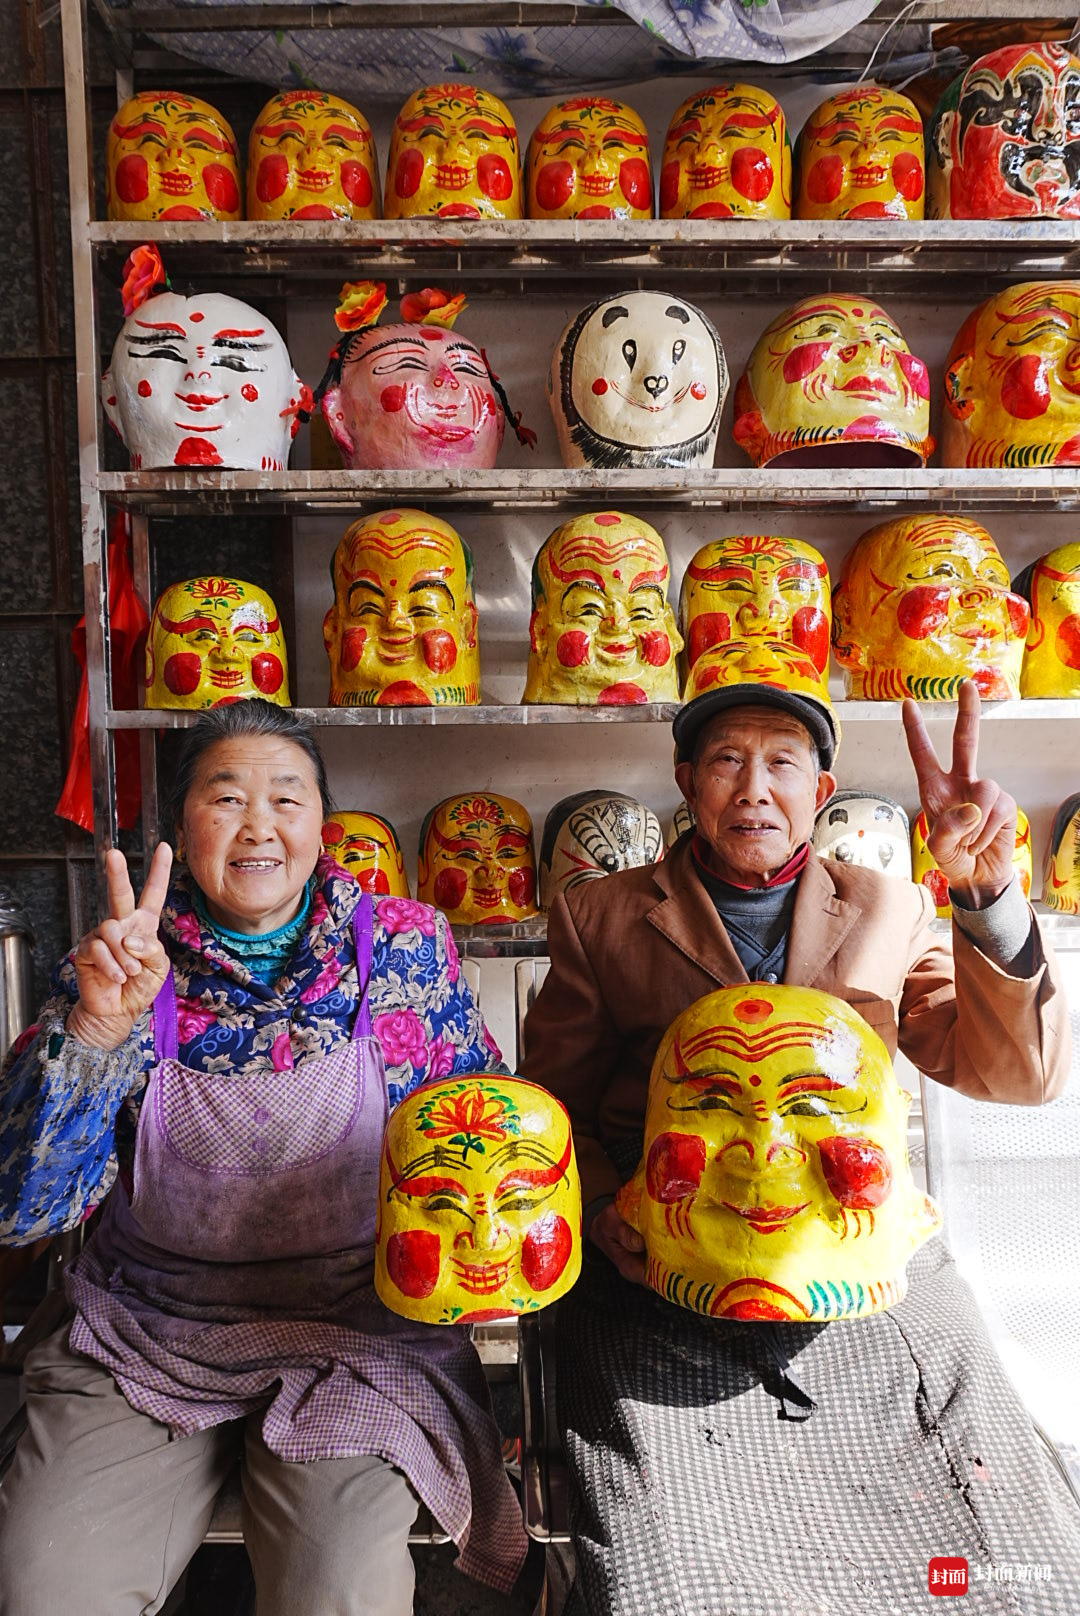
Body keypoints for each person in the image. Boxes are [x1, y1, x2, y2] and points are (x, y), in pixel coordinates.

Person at [521, 677, 1080, 1616]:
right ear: (687, 783)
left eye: (782, 763)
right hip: (661, 1276)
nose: (754, 788)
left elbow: (1019, 1072)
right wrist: (606, 1205)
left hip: (861, 1269)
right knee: (673, 1575)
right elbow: (554, 1105)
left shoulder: (891, 908)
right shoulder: (603, 915)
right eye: (727, 762)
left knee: (1012, 1559)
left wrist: (985, 893)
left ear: (819, 792)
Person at [0, 700, 527, 1615]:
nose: (259, 826)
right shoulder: (122, 965)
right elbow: (25, 1210)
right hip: (146, 1328)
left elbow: (479, 1127)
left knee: (340, 1592)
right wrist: (95, 1031)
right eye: (227, 798)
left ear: (322, 822)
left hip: (360, 1332)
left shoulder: (405, 946)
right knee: (47, 1587)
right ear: (178, 829)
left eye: (287, 798)